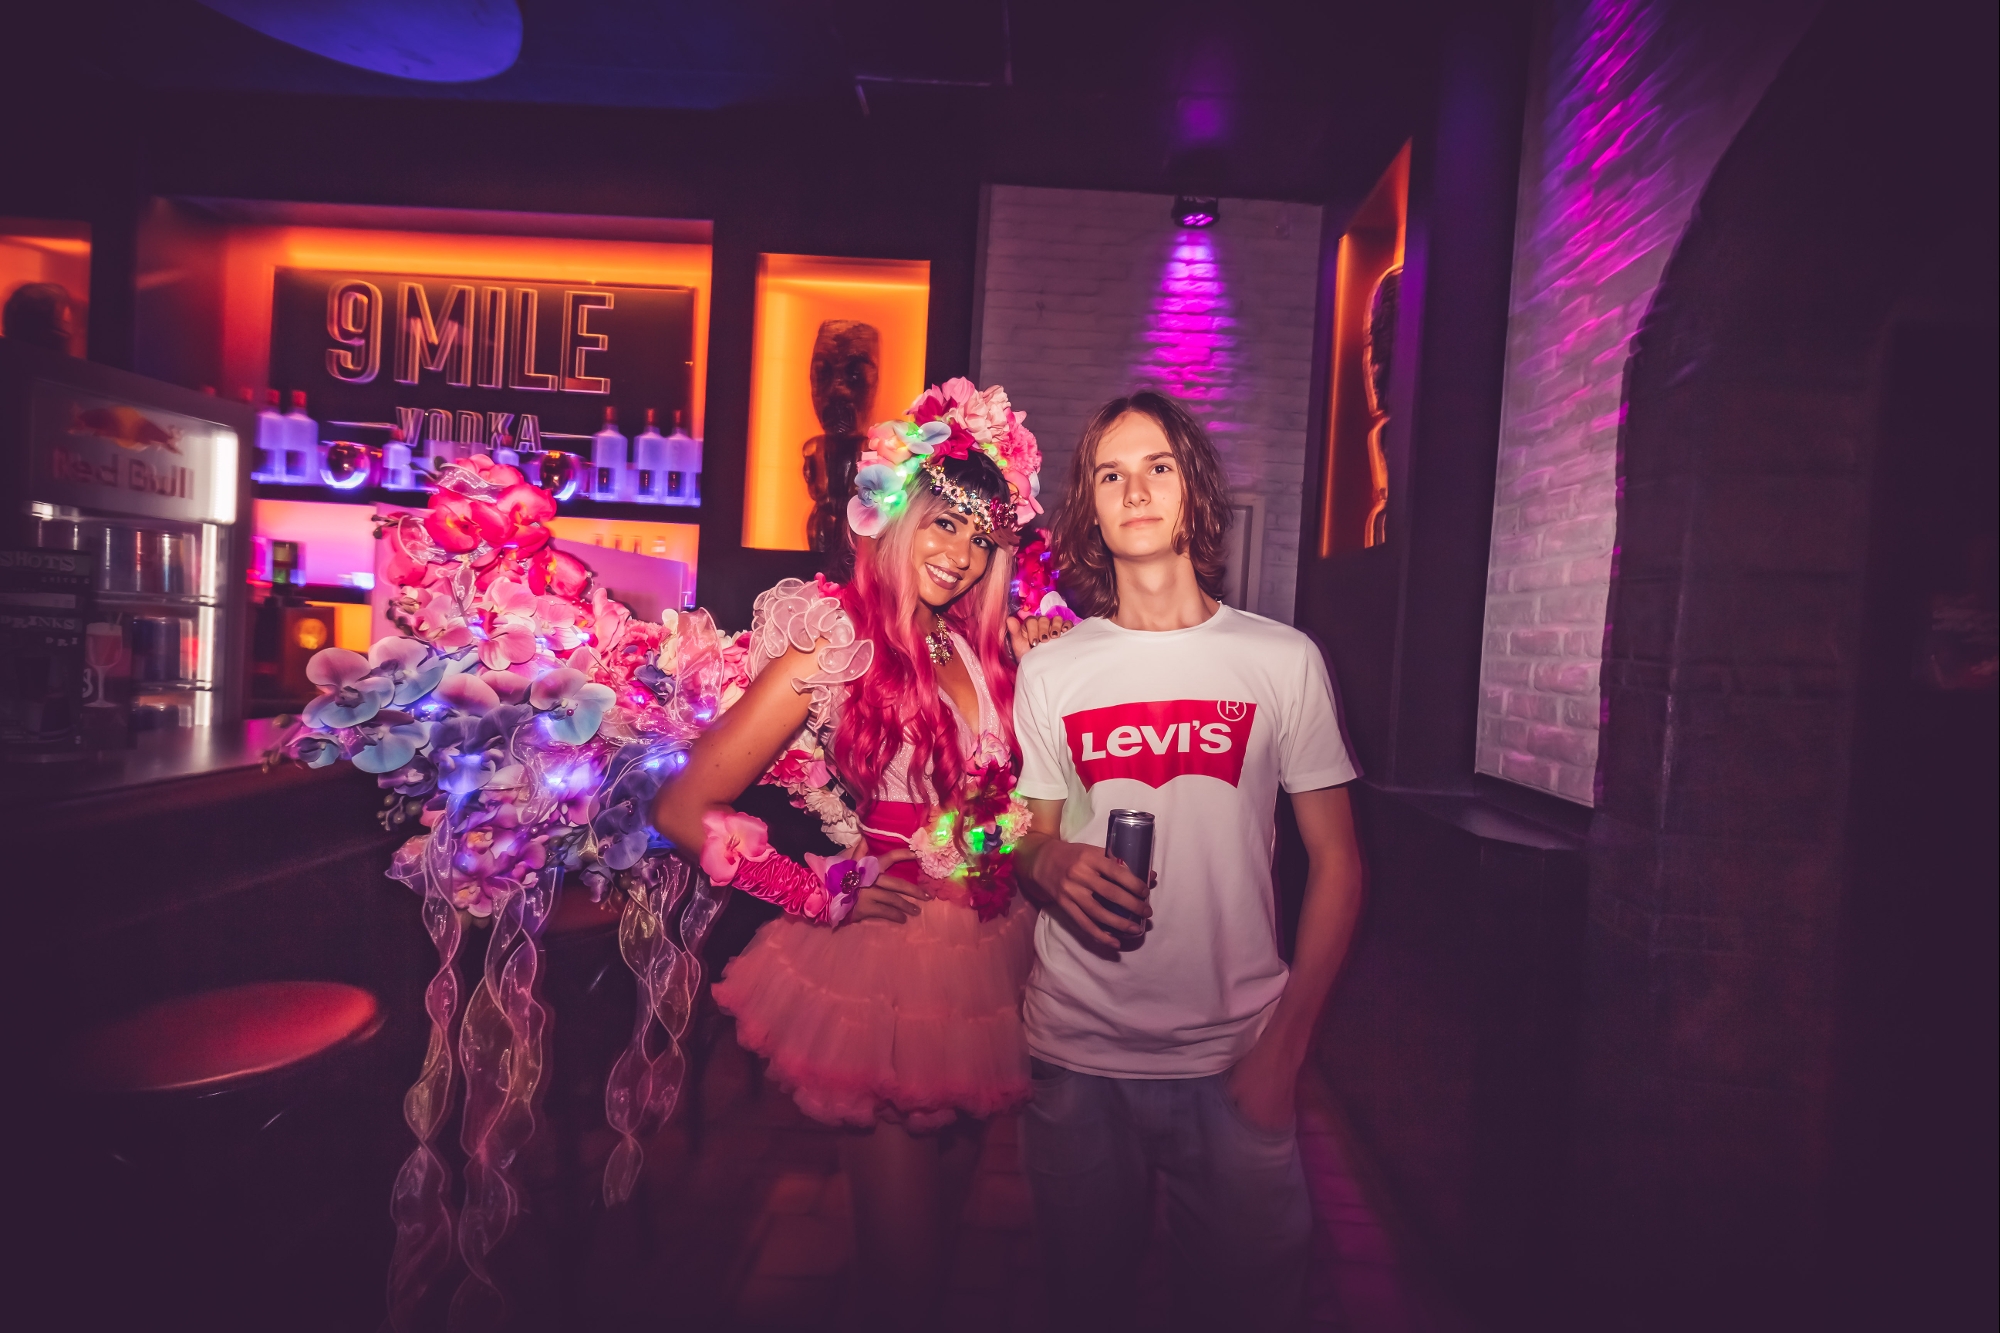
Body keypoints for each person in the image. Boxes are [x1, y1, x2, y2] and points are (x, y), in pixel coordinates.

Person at [651, 379, 1067, 1331]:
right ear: (898, 515)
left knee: (943, 1243)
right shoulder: (831, 645)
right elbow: (682, 807)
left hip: (993, 961)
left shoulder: (981, 649)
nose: (960, 553)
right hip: (889, 973)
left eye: (982, 537)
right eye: (944, 522)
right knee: (902, 1275)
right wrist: (814, 893)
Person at [1012, 390, 1367, 1331]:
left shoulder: (1282, 659)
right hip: (1078, 1056)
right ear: (1090, 508)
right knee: (1083, 1303)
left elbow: (1338, 865)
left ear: (1193, 490)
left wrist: (1285, 1053)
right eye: (1111, 474)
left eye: (1158, 467)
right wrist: (1045, 862)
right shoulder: (1052, 670)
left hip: (1238, 1055)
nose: (1135, 490)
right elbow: (1026, 835)